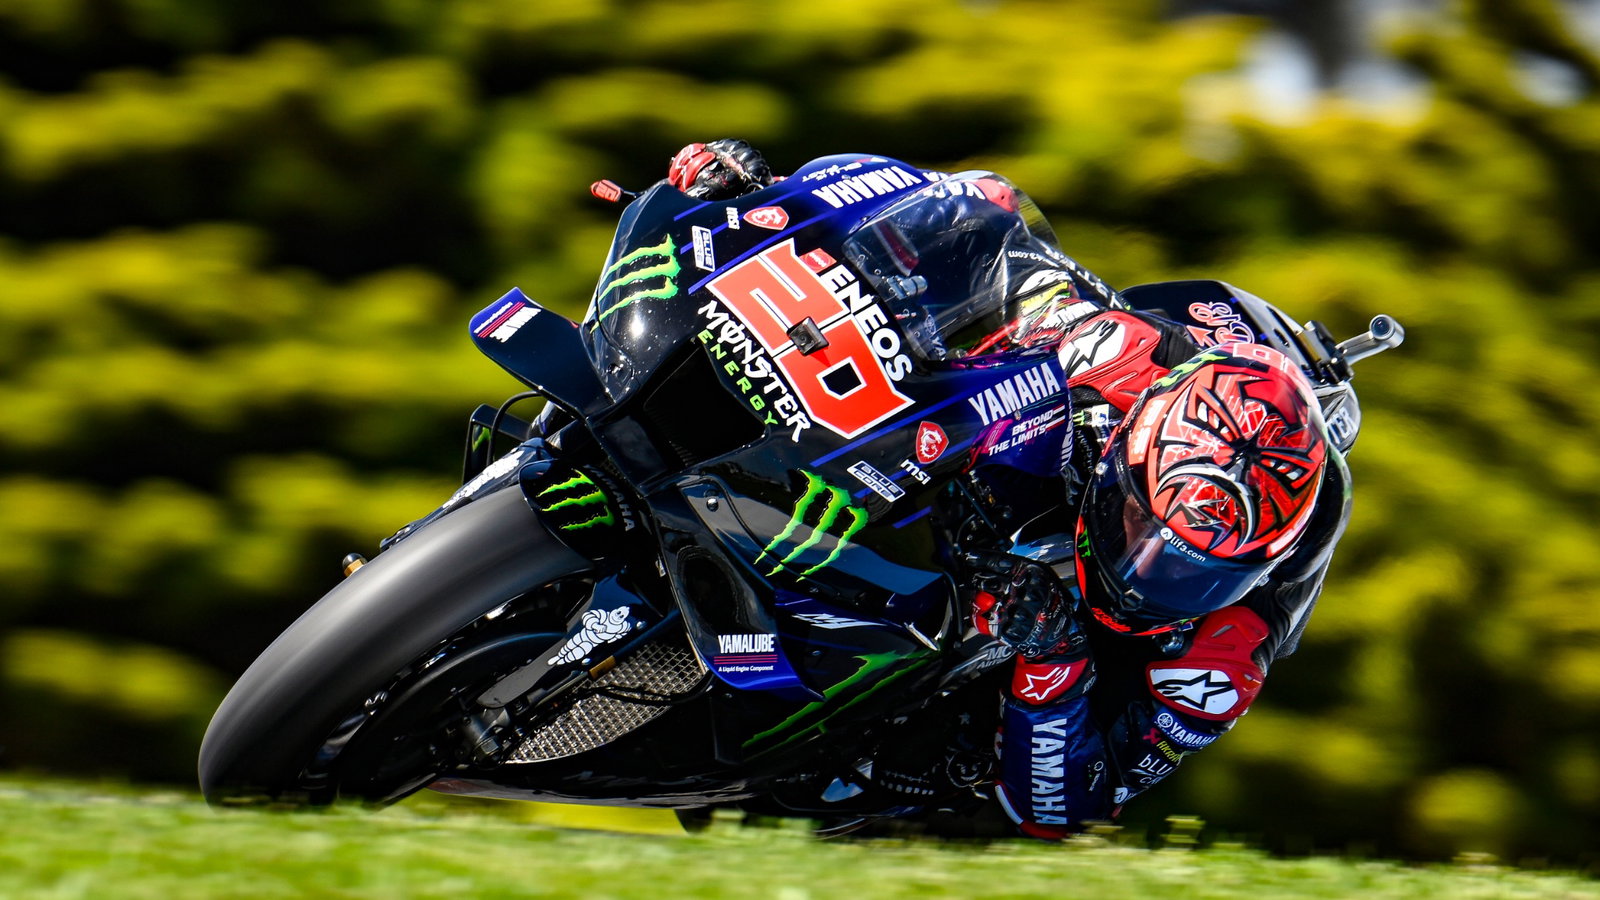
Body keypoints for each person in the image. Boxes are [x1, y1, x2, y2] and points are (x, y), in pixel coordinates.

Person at [665, 140, 1351, 838]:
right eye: (1141, 532)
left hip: (1015, 719)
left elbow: (1065, 810)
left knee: (934, 796)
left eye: (1186, 572)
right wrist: (767, 198)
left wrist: (1053, 659)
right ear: (1124, 443)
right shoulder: (1107, 353)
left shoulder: (1228, 648)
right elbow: (969, 218)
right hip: (1044, 459)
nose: (1146, 575)